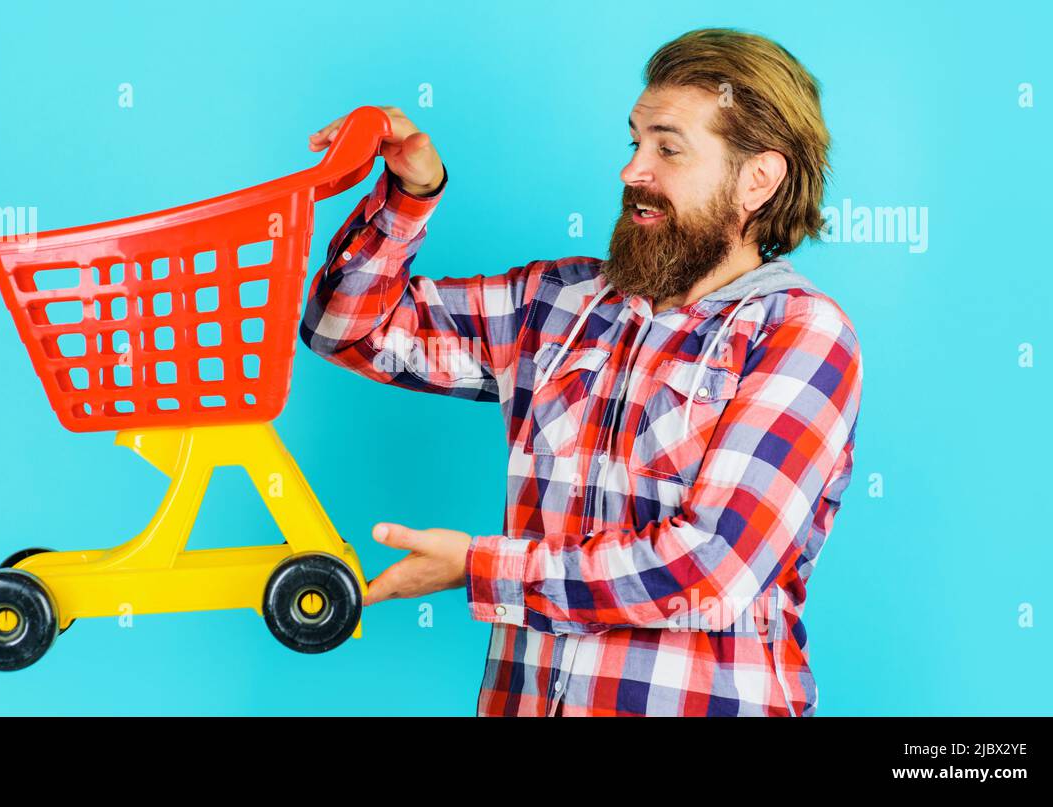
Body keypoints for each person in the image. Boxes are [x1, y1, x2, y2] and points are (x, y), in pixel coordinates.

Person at [301, 27, 863, 717]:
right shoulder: (554, 305)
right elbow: (345, 328)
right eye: (634, 143)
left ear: (758, 180)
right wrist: (412, 191)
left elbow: (712, 568)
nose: (633, 171)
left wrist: (479, 566)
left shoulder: (801, 333)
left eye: (668, 148)